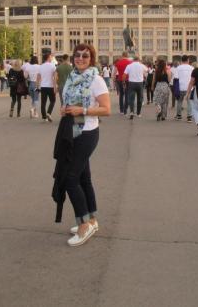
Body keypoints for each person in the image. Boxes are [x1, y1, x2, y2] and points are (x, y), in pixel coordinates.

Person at [59, 43, 110, 247]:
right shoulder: (71, 78)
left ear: (92, 59)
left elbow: (106, 109)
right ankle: (92, 220)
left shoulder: (96, 79)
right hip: (72, 132)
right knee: (84, 178)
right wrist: (65, 110)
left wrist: (83, 110)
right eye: (77, 55)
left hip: (87, 133)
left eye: (85, 56)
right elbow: (68, 103)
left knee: (70, 179)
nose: (80, 58)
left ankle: (83, 224)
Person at [123, 55, 147, 119]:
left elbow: (124, 75)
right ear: (139, 60)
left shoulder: (129, 66)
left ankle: (131, 111)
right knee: (140, 99)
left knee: (131, 98)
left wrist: (124, 82)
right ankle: (138, 113)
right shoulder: (141, 65)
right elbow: (147, 71)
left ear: (133, 60)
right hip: (140, 83)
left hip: (131, 83)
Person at [38, 52, 57, 122]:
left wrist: (38, 86)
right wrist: (55, 87)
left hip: (43, 86)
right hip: (50, 86)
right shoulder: (53, 66)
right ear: (48, 57)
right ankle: (49, 113)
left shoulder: (41, 66)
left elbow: (38, 77)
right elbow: (55, 78)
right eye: (51, 57)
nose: (51, 58)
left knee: (43, 102)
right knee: (53, 100)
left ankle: (44, 117)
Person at [175, 55, 194, 122]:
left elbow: (176, 78)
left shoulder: (178, 68)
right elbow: (193, 78)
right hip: (189, 87)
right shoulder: (191, 68)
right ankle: (189, 117)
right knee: (189, 102)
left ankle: (179, 115)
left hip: (181, 87)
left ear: (181, 60)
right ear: (188, 60)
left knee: (179, 101)